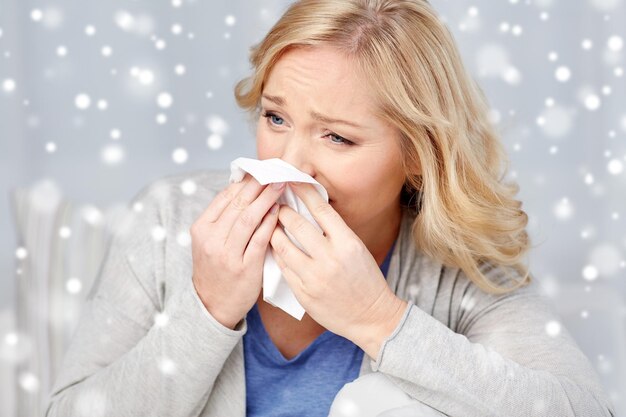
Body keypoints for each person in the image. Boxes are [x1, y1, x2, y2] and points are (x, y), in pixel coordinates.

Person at [46, 1, 616, 416]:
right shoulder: (169, 219)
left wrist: (378, 320)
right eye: (275, 118)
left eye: (336, 138)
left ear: (417, 156)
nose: (292, 162)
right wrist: (209, 308)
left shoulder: (456, 263)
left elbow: (583, 411)